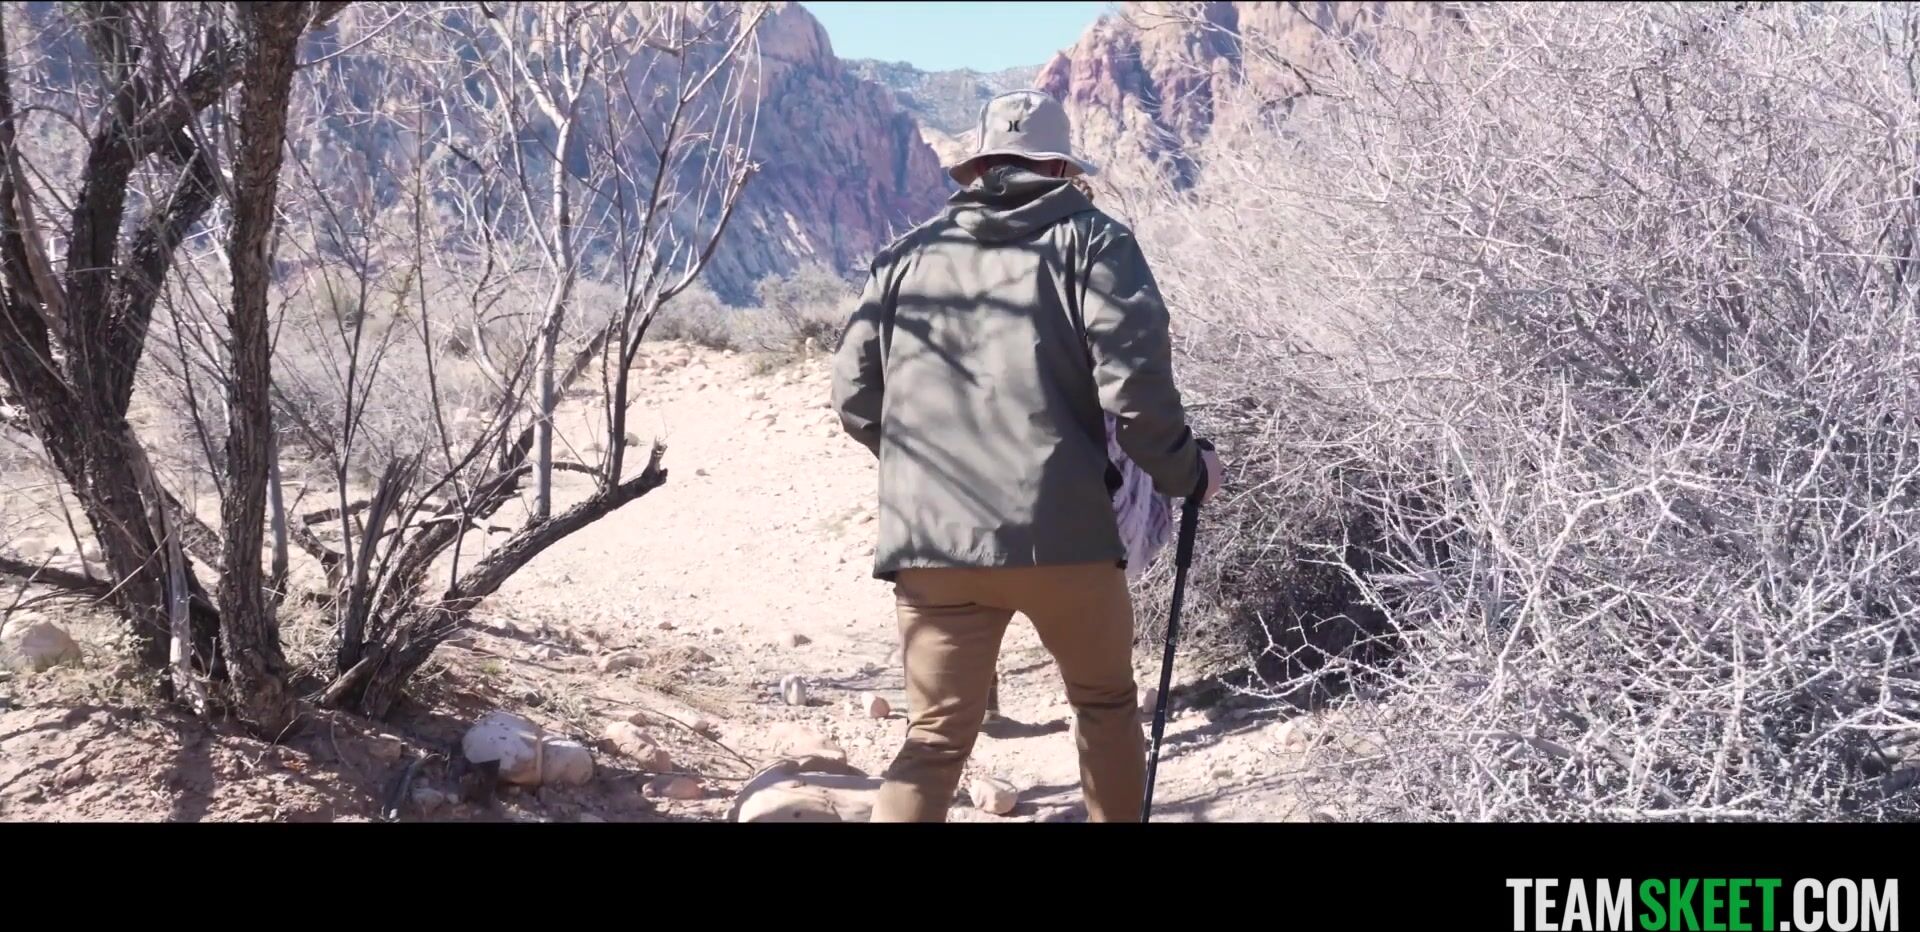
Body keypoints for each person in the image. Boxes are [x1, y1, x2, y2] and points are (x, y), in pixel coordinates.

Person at [831, 88, 1224, 823]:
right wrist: (1190, 474)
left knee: (934, 739)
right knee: (1104, 706)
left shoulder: (906, 258)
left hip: (932, 542)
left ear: (979, 166)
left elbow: (854, 395)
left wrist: (921, 470)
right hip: (1064, 535)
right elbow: (1137, 394)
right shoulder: (1097, 243)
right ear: (1061, 167)